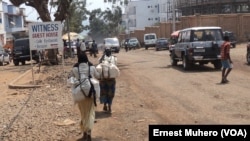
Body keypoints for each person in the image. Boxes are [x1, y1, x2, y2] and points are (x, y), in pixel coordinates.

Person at [71, 52, 100, 141]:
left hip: (81, 94)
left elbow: (72, 79)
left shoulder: (75, 68)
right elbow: (97, 76)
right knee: (90, 113)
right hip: (91, 93)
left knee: (83, 113)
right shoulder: (91, 66)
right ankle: (89, 133)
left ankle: (84, 133)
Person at [98, 49, 119, 114]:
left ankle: (105, 104)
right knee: (111, 93)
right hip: (111, 80)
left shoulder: (101, 59)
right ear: (111, 53)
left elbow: (99, 68)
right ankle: (109, 106)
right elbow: (116, 67)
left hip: (103, 80)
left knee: (104, 92)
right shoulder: (114, 58)